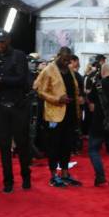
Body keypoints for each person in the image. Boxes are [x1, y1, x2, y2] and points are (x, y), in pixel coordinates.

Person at [0, 28, 32, 193]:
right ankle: (8, 182)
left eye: (1, 41)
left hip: (19, 106)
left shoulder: (18, 55)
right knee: (4, 146)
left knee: (22, 144)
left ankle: (26, 176)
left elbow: (21, 79)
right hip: (0, 108)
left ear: (8, 40)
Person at [33, 53, 82, 187]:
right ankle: (53, 175)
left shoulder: (70, 71)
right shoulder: (49, 69)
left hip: (70, 114)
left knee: (67, 145)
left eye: (68, 60)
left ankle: (65, 174)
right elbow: (38, 89)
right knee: (54, 145)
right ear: (59, 56)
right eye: (64, 60)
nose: (66, 62)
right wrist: (57, 99)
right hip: (54, 115)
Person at [88, 63, 109, 186]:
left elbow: (91, 101)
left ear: (103, 72)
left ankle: (100, 176)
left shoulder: (98, 84)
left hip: (99, 122)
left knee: (93, 149)